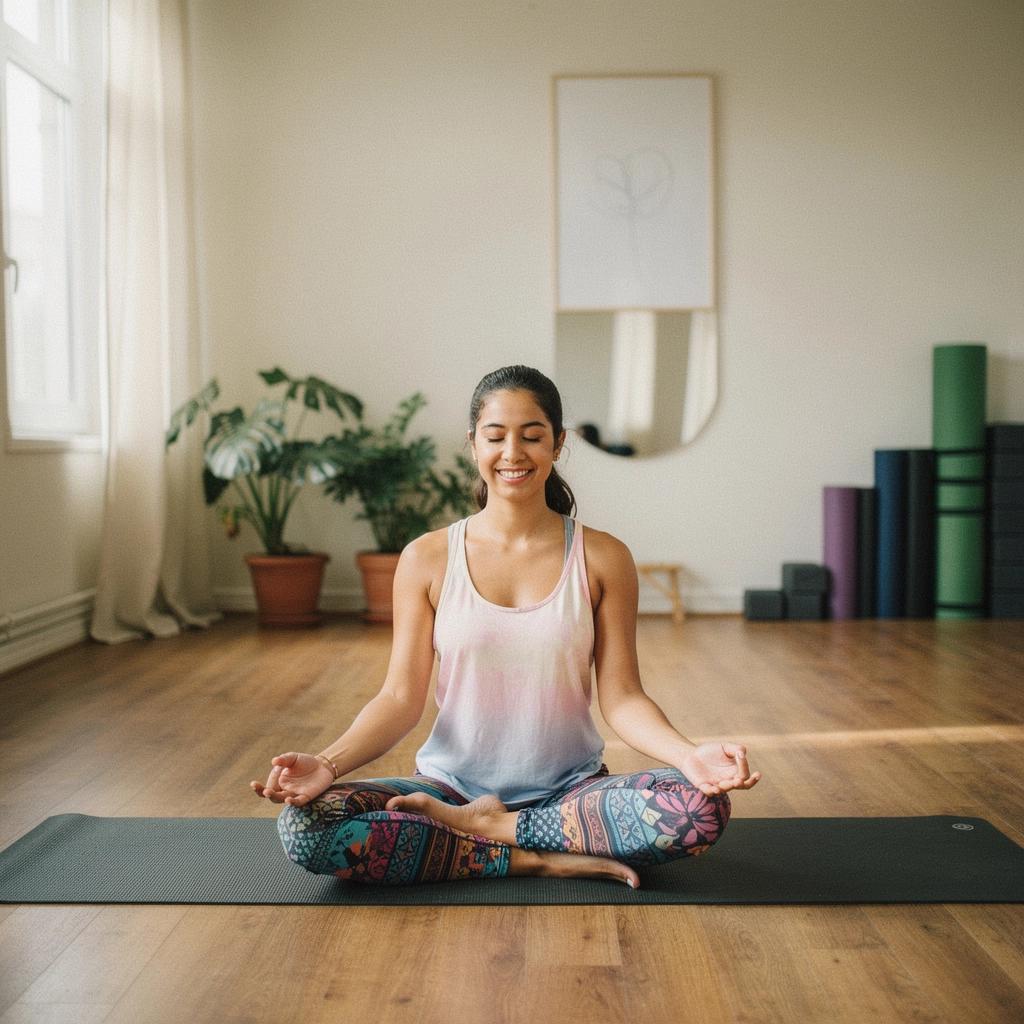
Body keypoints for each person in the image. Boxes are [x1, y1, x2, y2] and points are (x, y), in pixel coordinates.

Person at [251, 365, 761, 888]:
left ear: (559, 444)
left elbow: (623, 698)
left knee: (698, 810)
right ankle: (531, 855)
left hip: (570, 793)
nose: (512, 453)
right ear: (473, 444)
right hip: (449, 791)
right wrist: (328, 764)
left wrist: (689, 755)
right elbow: (400, 697)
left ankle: (490, 832)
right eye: (495, 437)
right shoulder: (426, 558)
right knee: (306, 828)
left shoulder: (604, 557)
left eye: (532, 436)